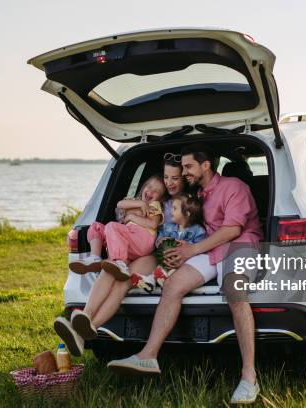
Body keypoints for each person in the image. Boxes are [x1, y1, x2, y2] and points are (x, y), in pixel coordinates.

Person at [107, 143, 263, 404]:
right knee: (173, 285)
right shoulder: (198, 195)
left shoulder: (234, 187)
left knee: (234, 289)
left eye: (189, 167)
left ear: (206, 165)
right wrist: (174, 246)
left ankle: (249, 377)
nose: (185, 172)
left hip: (239, 244)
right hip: (210, 248)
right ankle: (148, 356)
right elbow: (184, 222)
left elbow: (233, 230)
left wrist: (191, 250)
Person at [53, 159, 185, 357]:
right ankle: (84, 318)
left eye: (174, 178)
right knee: (108, 271)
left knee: (122, 284)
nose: (170, 182)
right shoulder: (143, 201)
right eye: (167, 178)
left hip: (152, 252)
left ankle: (89, 328)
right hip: (128, 244)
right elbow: (120, 207)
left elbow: (158, 226)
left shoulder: (182, 201)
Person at [68, 174, 166, 280]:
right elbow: (119, 204)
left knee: (112, 226)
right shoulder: (134, 202)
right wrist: (140, 203)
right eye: (150, 186)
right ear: (144, 186)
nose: (151, 191)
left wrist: (131, 217)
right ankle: (95, 258)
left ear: (160, 198)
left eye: (156, 191)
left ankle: (120, 263)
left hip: (142, 240)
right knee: (96, 226)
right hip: (129, 240)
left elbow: (153, 224)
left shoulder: (154, 206)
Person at [131, 192, 206, 293]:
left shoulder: (198, 231)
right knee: (165, 249)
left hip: (183, 263)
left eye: (175, 208)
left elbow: (199, 249)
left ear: (187, 213)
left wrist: (186, 248)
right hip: (165, 259)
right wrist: (159, 241)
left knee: (169, 264)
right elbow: (159, 237)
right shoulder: (168, 226)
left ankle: (157, 278)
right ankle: (152, 280)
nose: (171, 211)